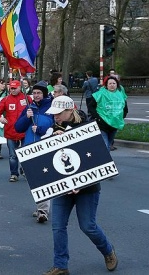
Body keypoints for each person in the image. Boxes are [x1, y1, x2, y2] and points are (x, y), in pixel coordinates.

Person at [43, 96, 117, 275]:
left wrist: (81, 184)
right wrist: (51, 139)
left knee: (88, 226)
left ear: (70, 111)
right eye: (54, 114)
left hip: (87, 189)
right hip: (62, 188)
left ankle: (108, 251)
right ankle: (61, 265)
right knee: (58, 226)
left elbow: (97, 160)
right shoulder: (54, 128)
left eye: (59, 114)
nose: (55, 117)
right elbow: (43, 156)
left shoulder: (89, 128)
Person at [14, 82, 54, 223]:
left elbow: (57, 126)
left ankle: (43, 210)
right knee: (35, 180)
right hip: (30, 148)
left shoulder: (52, 107)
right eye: (34, 93)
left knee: (43, 178)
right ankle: (41, 206)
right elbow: (18, 128)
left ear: (44, 94)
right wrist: (26, 117)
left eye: (39, 93)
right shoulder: (29, 108)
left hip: (47, 147)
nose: (36, 96)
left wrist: (42, 130)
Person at [0, 80, 30, 182]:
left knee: (25, 152)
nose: (13, 90)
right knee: (12, 155)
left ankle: (25, 170)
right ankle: (14, 174)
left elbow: (35, 108)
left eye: (15, 88)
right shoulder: (6, 99)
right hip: (10, 131)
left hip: (25, 131)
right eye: (11, 88)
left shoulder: (26, 98)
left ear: (20, 88)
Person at [87, 76, 128, 151]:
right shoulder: (99, 94)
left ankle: (103, 159)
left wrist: (122, 117)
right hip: (102, 124)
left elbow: (125, 108)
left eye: (114, 83)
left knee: (109, 144)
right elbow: (91, 107)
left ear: (117, 85)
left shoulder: (121, 95)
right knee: (105, 145)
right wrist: (97, 118)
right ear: (106, 85)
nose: (112, 85)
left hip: (115, 124)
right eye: (110, 83)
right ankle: (104, 160)